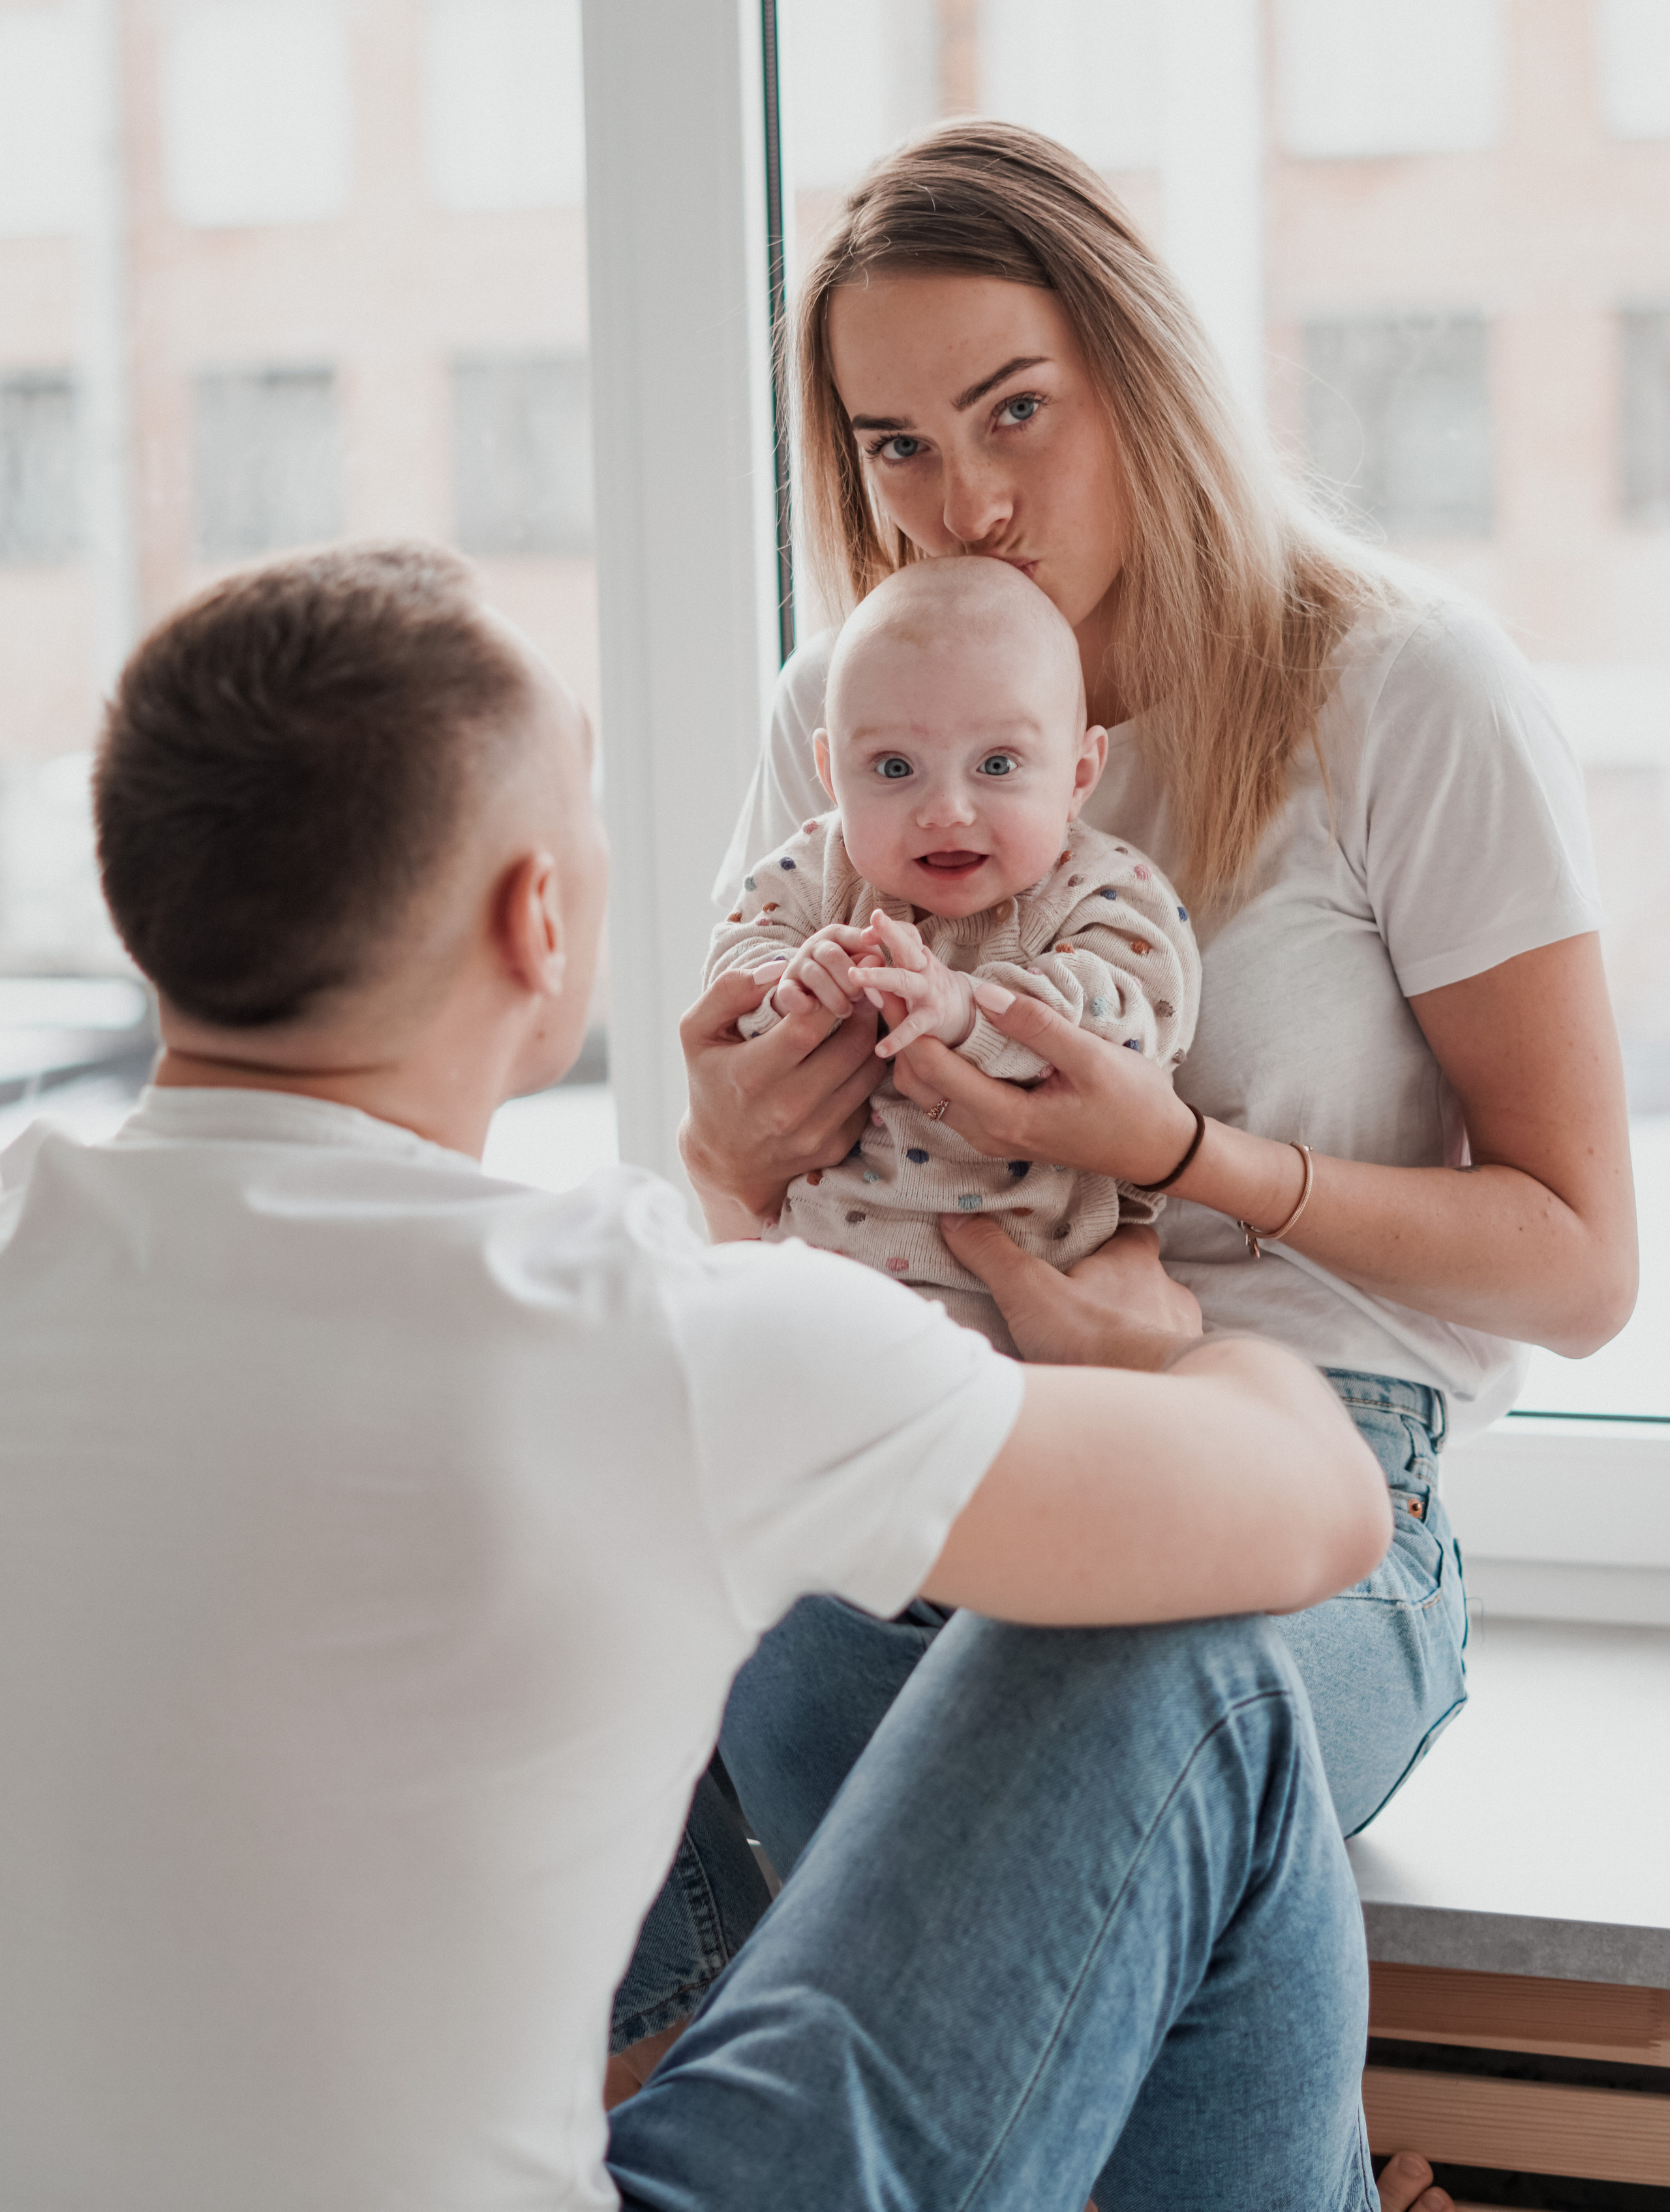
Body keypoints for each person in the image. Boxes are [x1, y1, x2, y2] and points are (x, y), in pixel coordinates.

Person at [0, 540, 1428, 2210]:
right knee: (1188, 1669)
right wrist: (1169, 1347)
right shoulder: (642, 1333)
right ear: (538, 918)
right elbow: (1321, 1507)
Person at [679, 120, 1637, 1928]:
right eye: (898, 444)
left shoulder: (1400, 690)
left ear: (1137, 371)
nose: (964, 505)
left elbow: (1582, 1268)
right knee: (754, 1682)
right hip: (938, 1424)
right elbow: (736, 1204)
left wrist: (1184, 1160)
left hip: (1315, 1480)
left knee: (1074, 1723)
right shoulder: (849, 709)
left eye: (1014, 410)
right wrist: (727, 1147)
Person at [703, 554, 1200, 1347]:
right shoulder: (819, 867)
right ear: (831, 772)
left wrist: (970, 1011)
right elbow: (737, 958)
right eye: (894, 768)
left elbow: (1133, 1023)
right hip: (823, 1293)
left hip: (1029, 1308)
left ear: (1078, 774)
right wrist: (791, 987)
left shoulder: (1100, 888)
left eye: (997, 765)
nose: (944, 810)